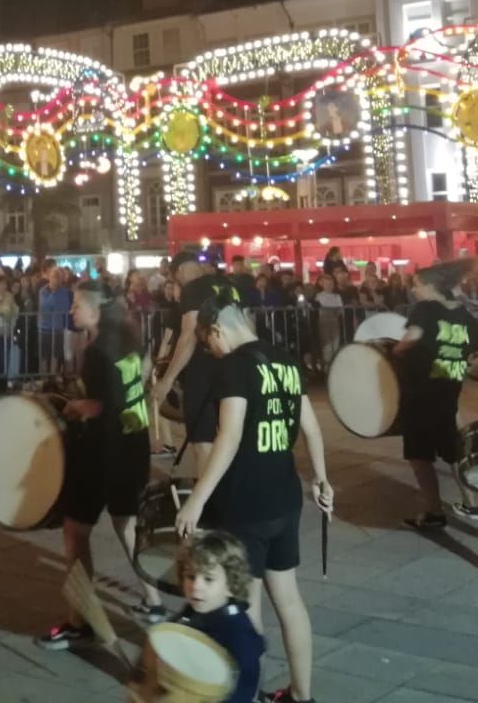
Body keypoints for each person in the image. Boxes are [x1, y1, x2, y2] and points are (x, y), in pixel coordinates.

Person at [174, 292, 332, 703]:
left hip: (245, 500)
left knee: (248, 603)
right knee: (290, 600)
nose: (211, 349)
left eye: (207, 341)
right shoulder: (286, 361)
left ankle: (250, 693)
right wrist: (321, 478)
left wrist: (197, 499)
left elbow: (228, 437)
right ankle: (302, 695)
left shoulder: (234, 367)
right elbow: (312, 429)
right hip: (285, 495)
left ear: (216, 330)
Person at [35, 285, 165, 650]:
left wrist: (73, 406)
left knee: (75, 533)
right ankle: (154, 602)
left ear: (94, 311)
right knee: (126, 524)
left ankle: (79, 622)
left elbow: (100, 405)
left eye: (77, 305)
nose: (72, 310)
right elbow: (137, 382)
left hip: (102, 452)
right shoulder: (129, 338)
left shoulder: (96, 350)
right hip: (133, 443)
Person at [393, 261, 478, 528]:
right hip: (449, 386)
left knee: (419, 454)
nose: (414, 290)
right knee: (452, 450)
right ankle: (471, 502)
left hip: (422, 389)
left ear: (431, 286)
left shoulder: (425, 309)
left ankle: (434, 511)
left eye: (417, 285)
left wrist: (396, 350)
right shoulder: (461, 312)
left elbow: (412, 337)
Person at [158, 531, 264, 703]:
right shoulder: (192, 611)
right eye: (191, 576)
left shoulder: (237, 629)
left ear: (231, 585)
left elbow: (246, 682)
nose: (196, 586)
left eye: (208, 579)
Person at [152, 252, 224, 475]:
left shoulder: (193, 289)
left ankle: (209, 493)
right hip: (232, 368)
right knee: (229, 435)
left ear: (180, 271)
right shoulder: (227, 285)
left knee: (203, 441)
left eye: (175, 279)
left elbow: (188, 335)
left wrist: (167, 380)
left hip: (203, 371)